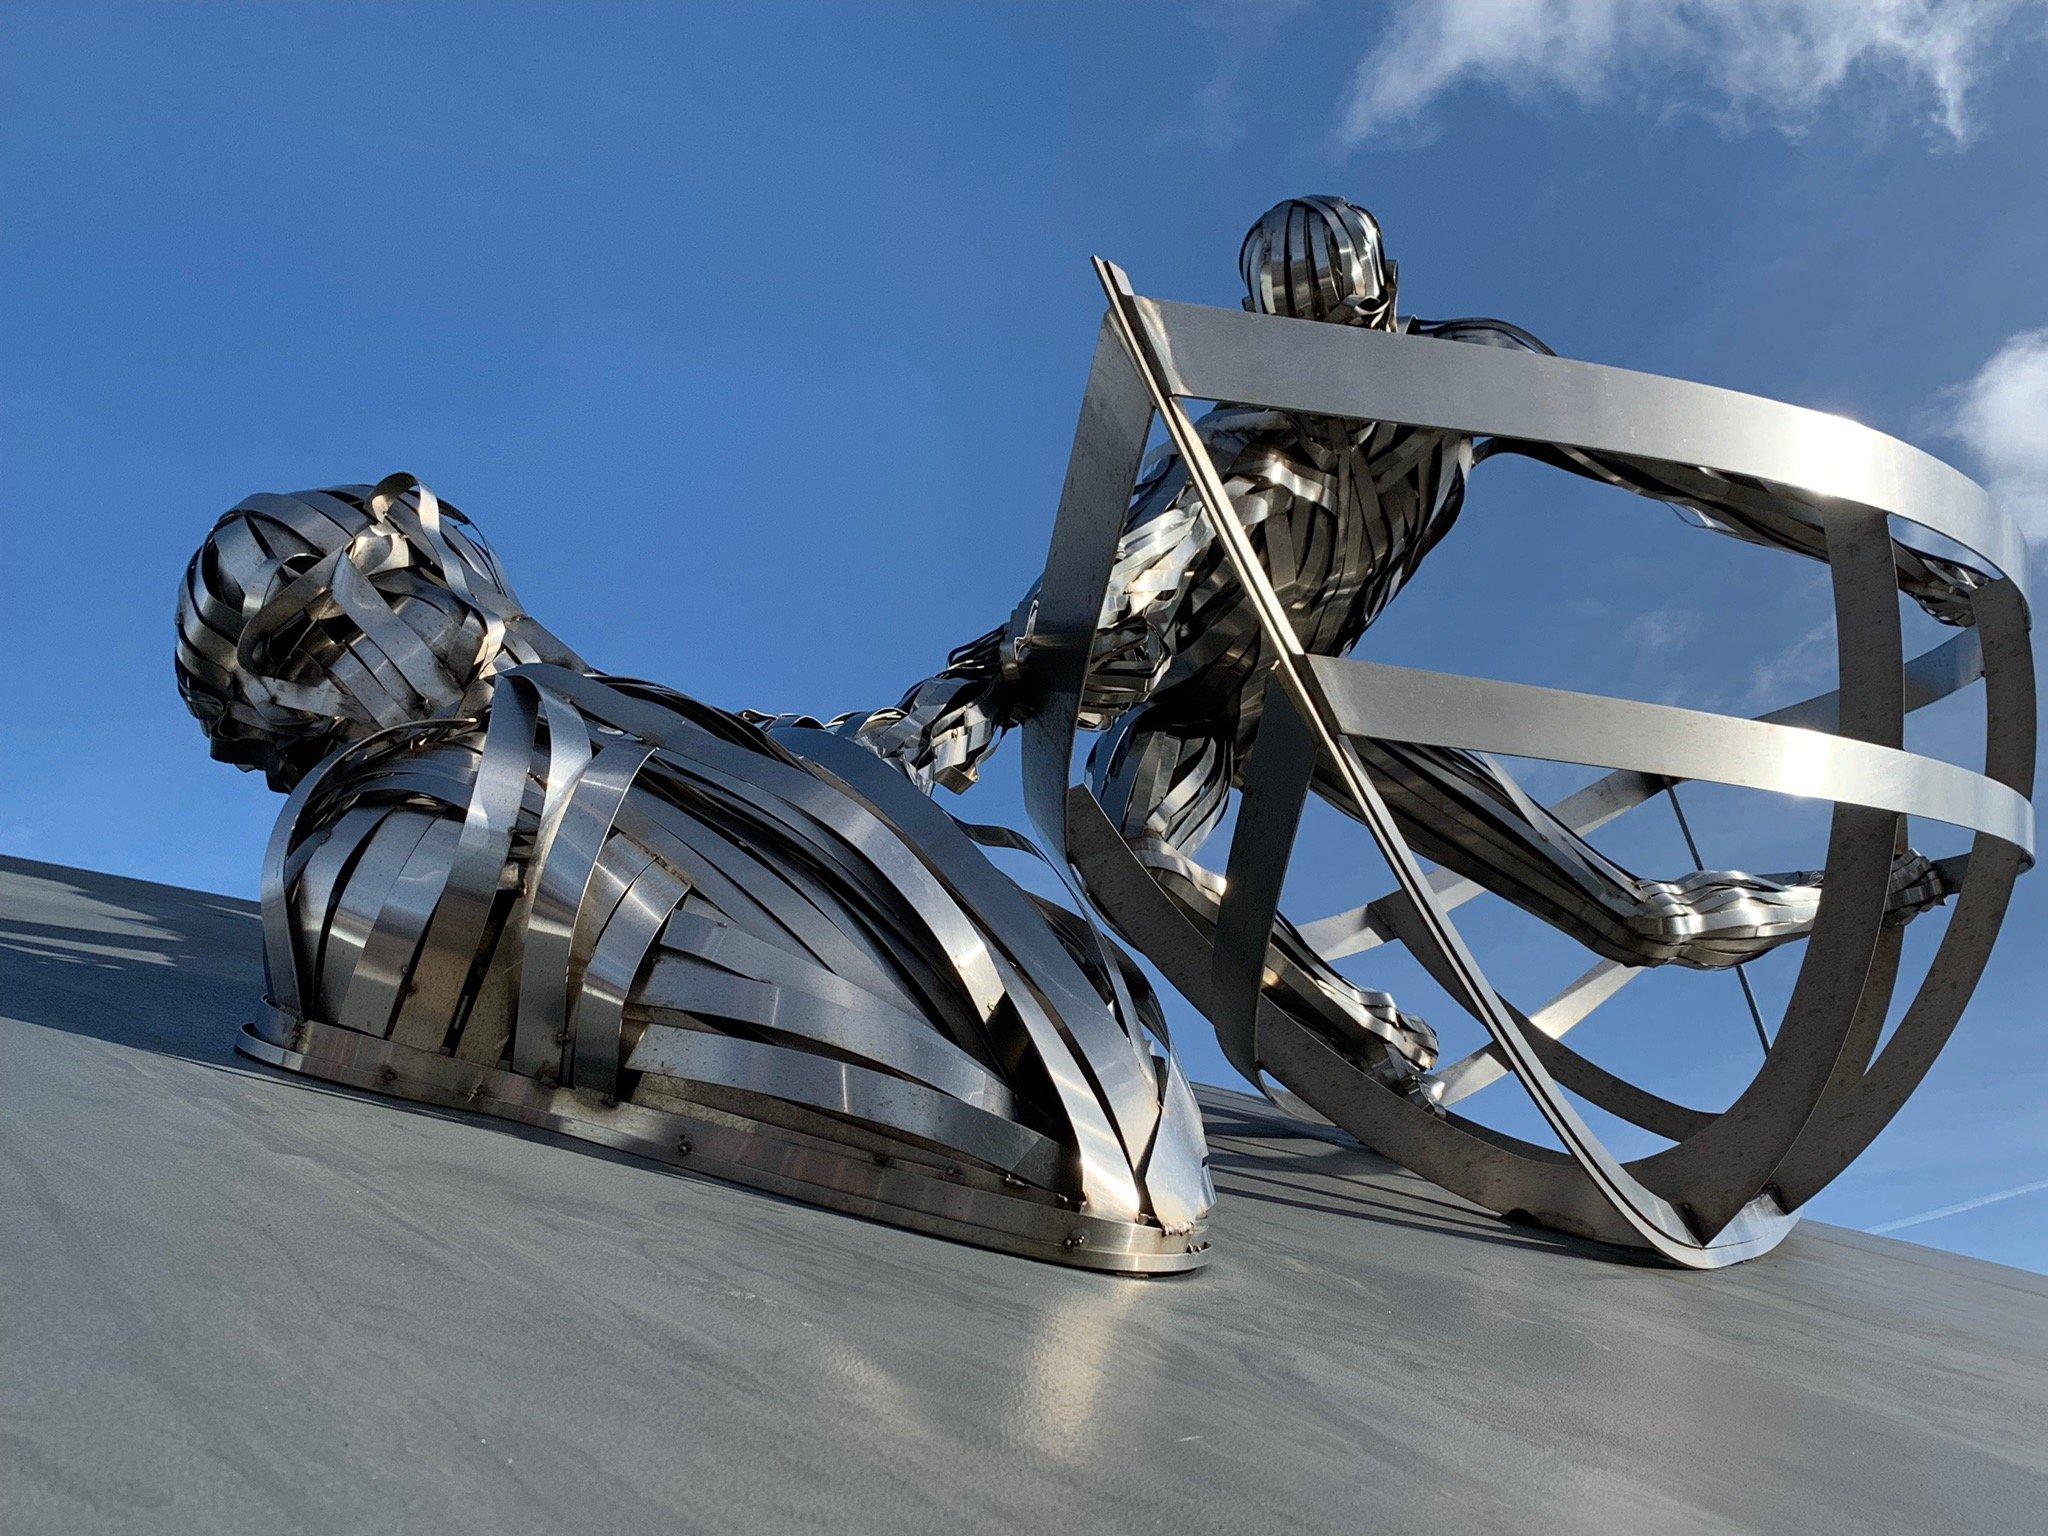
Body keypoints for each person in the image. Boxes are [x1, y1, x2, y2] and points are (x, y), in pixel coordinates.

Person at [841, 195, 1962, 1083]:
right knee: (1129, 838)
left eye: (1354, 344)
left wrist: (1885, 557)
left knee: (1637, 921)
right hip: (1195, 706)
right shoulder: (1231, 455)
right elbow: (1099, 594)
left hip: (1329, 707)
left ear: (1390, 313)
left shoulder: (1461, 380)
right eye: (1301, 356)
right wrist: (967, 704)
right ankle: (1365, 1033)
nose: (1330, 391)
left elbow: (1682, 467)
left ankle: (1863, 892)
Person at [175, 474, 1211, 1267]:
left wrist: (1008, 674)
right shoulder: (375, 846)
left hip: (1092, 1127)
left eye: (406, 572)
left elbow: (875, 758)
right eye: (314, 638)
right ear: (276, 726)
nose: (395, 619)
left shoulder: (681, 742)